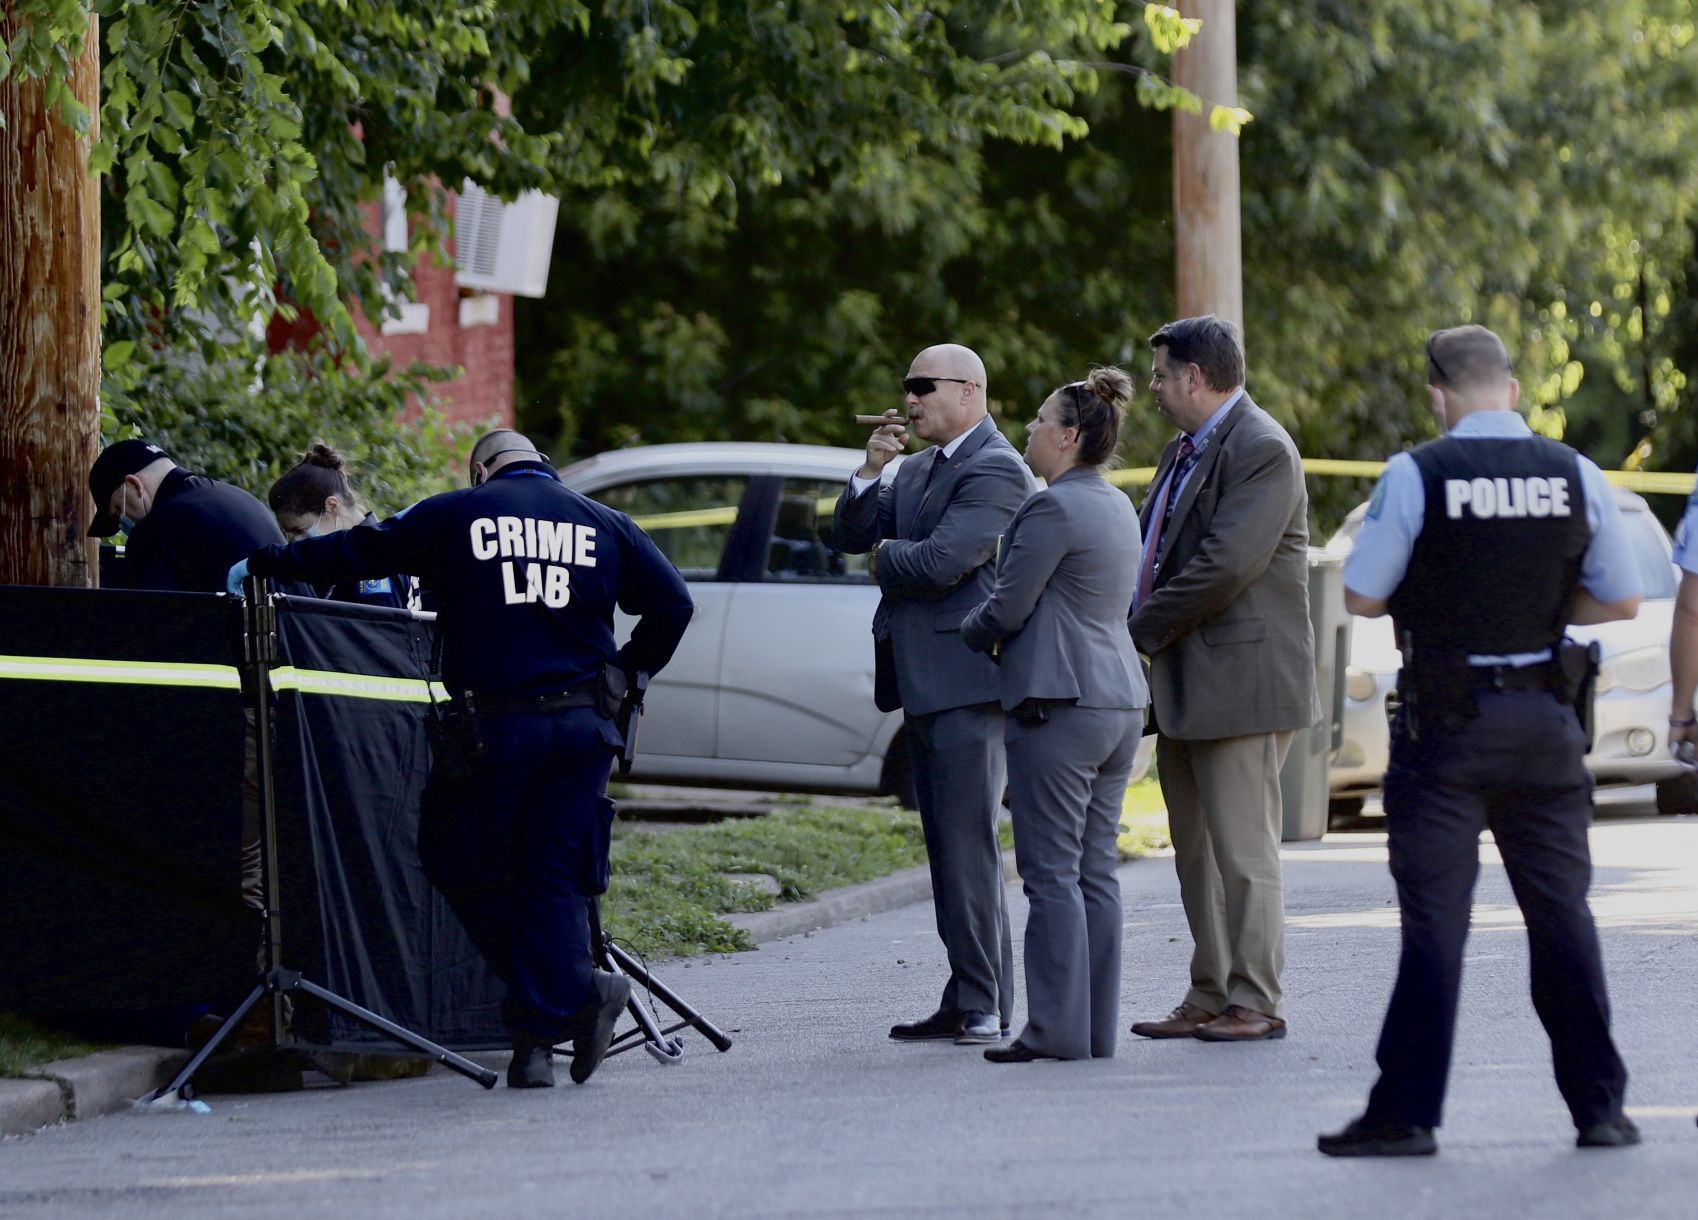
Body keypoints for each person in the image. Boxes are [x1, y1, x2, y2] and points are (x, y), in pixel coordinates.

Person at [233, 428, 695, 1088]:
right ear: (543, 465)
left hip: (499, 725)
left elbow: (363, 552)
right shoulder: (603, 521)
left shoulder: (456, 511)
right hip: (584, 725)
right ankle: (536, 1045)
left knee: (458, 857)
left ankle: (573, 996)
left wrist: (269, 563)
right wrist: (629, 675)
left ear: (482, 470)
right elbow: (674, 603)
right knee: (552, 880)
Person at [1317, 324, 1644, 1157]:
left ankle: (1408, 1115)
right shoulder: (1575, 472)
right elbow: (1621, 600)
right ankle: (1600, 1109)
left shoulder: (1418, 473)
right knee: (1562, 916)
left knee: (1436, 925)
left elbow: (1360, 594)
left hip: (1449, 724)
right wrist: (1532, 616)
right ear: (1510, 387)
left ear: (1438, 392)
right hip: (1545, 721)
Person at [833, 343, 1033, 1046]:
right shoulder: (916, 467)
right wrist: (868, 472)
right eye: (906, 387)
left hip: (967, 683)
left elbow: (946, 560)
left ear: (970, 391)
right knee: (946, 849)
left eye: (924, 387)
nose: (910, 399)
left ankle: (983, 1002)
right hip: (920, 681)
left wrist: (885, 559)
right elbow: (847, 533)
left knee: (968, 846)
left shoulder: (999, 467)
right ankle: (965, 992)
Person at [1127, 315, 1317, 1044]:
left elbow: (1225, 566)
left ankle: (1256, 999)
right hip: (1186, 681)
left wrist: (1132, 633)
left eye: (1161, 375)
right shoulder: (1186, 449)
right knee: (1197, 854)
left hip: (1242, 682)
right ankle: (1209, 993)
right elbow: (1153, 555)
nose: (1153, 388)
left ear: (1196, 378)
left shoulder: (1261, 447)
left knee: (1243, 853)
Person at [960, 366, 1147, 1063]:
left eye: (1040, 421)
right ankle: (1091, 1030)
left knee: (1049, 873)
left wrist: (969, 632)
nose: (1029, 431)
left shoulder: (1050, 508)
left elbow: (1009, 605)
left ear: (1068, 436)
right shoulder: (1115, 505)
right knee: (1095, 870)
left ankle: (1052, 1031)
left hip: (1059, 703)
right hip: (1119, 698)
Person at [88, 438, 286, 590]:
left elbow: (151, 625)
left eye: (118, 510)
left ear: (134, 485)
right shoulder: (237, 497)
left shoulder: (155, 530)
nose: (124, 523)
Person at [267, 443, 414, 609]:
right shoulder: (342, 562)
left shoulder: (374, 562)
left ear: (332, 506)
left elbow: (380, 631)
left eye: (300, 530)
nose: (298, 541)